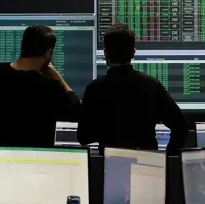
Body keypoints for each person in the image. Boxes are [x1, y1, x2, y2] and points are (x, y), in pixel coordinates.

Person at [78, 23, 188, 152]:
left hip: (110, 162)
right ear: (133, 53)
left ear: (105, 53)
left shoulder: (94, 89)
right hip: (147, 163)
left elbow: (83, 138)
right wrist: (168, 157)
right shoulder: (151, 85)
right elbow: (181, 125)